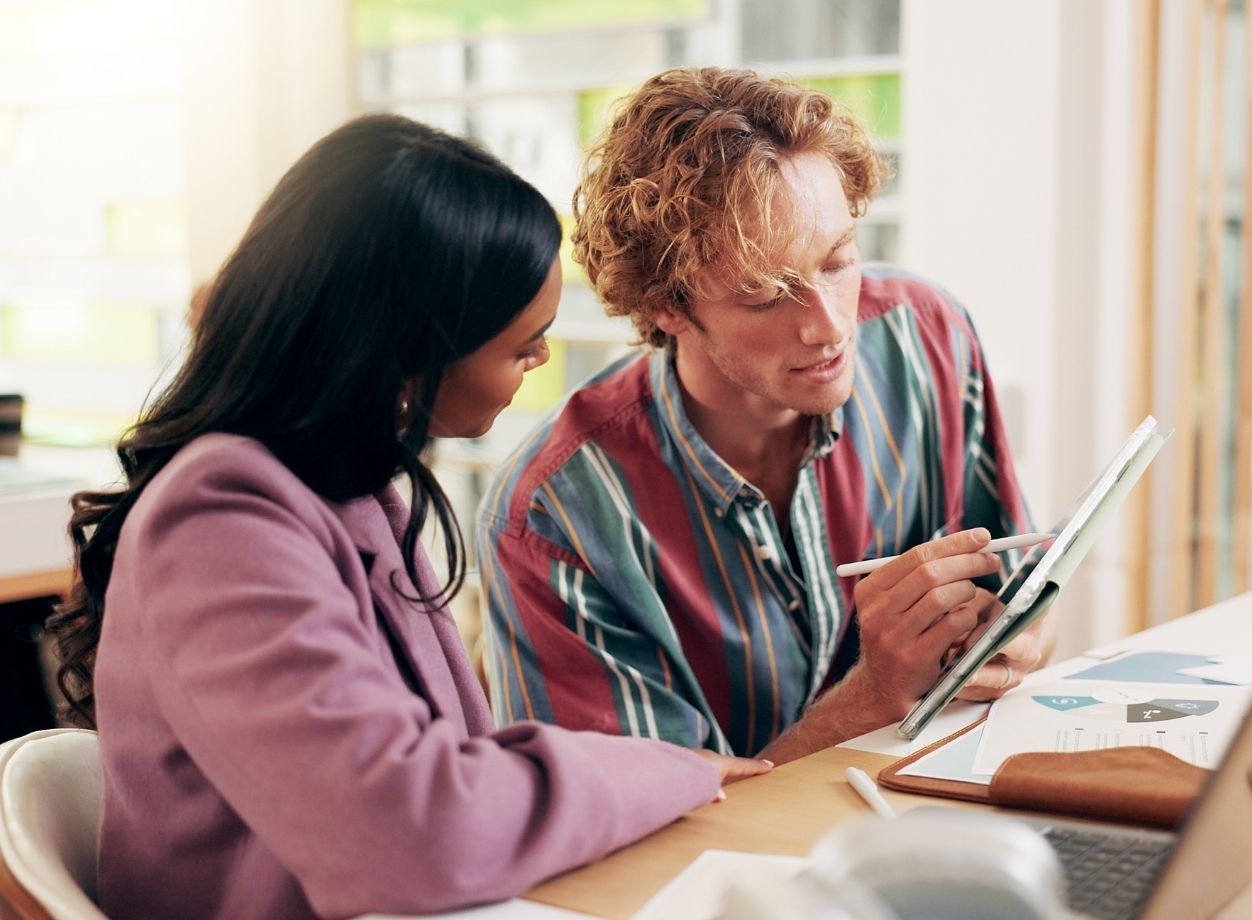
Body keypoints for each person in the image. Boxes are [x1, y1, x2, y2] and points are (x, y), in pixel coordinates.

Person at [45, 113, 768, 920]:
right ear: (403, 352)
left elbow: (435, 768)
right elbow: (414, 829)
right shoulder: (221, 522)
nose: (536, 368)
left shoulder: (345, 489)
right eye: (522, 348)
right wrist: (673, 769)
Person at [477, 68, 1054, 764]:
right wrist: (873, 695)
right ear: (667, 305)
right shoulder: (553, 519)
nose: (829, 327)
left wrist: (1017, 633)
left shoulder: (929, 339)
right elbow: (640, 847)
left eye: (839, 260)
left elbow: (1020, 584)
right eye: (765, 296)